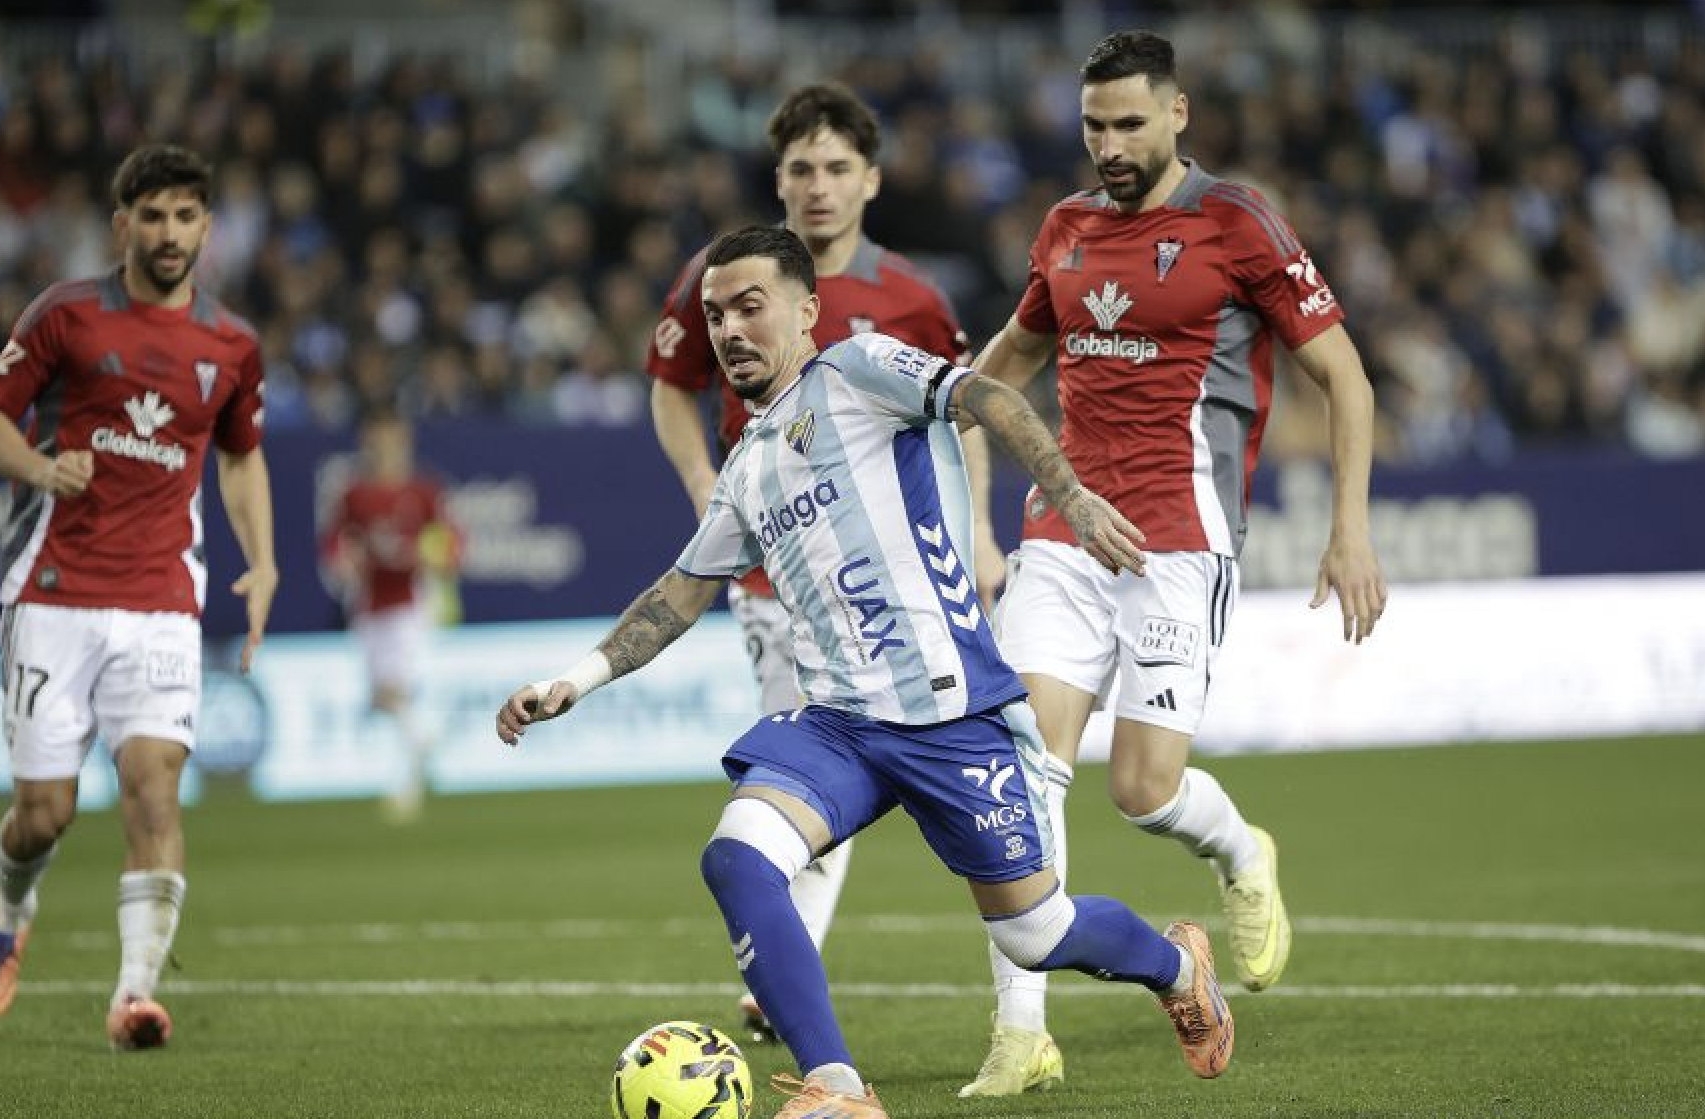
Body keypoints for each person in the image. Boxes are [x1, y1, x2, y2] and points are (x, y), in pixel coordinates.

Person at [499, 226, 1233, 1119]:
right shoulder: (746, 469)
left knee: (1038, 932)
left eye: (749, 305)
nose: (729, 328)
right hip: (840, 723)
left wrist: (1070, 495)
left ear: (807, 309)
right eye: (715, 313)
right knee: (737, 856)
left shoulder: (860, 369)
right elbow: (677, 596)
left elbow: (989, 394)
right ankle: (838, 1089)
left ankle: (1175, 964)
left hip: (952, 714)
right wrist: (571, 680)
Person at [957, 30, 1389, 1097]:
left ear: (1177, 113)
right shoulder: (1060, 232)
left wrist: (1349, 527)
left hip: (1178, 543)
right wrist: (969, 486)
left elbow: (1345, 377)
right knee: (1018, 779)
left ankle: (1242, 856)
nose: (1107, 143)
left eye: (1128, 123)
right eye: (1092, 125)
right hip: (1062, 538)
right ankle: (1021, 1034)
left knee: (1141, 792)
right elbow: (994, 374)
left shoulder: (1234, 224)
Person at [645, 81, 1001, 1043]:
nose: (817, 184)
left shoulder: (911, 299)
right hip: (770, 569)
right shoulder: (725, 278)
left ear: (870, 180)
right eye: (800, 168)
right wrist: (701, 490)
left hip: (889, 580)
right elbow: (670, 386)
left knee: (813, 749)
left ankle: (785, 972)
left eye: (836, 167)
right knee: (807, 744)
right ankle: (791, 968)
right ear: (778, 178)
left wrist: (980, 533)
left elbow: (962, 410)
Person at [0, 143, 277, 1051]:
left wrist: (262, 561)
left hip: (161, 598)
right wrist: (40, 466)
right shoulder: (65, 318)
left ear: (206, 228)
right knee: (44, 813)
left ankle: (135, 992)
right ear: (121, 225)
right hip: (54, 590)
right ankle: (10, 911)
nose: (169, 233)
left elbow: (240, 454)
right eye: (152, 216)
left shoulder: (232, 345)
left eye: (185, 216)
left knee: (153, 786)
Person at [319, 404, 461, 822]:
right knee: (382, 697)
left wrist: (437, 558)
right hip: (367, 601)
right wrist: (341, 562)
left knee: (394, 689)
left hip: (410, 601)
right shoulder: (354, 494)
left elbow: (450, 541)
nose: (385, 448)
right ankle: (422, 741)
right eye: (377, 440)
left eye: (392, 440)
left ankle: (409, 784)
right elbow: (334, 542)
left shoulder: (423, 491)